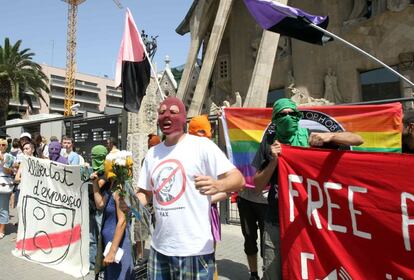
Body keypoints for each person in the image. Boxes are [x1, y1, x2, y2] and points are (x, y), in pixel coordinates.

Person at [252, 98, 364, 280]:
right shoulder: (269, 143)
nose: (288, 117)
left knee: (305, 272)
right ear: (274, 119)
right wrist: (273, 160)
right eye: (282, 114)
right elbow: (257, 186)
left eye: (292, 114)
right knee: (273, 273)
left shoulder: (312, 137)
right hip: (276, 221)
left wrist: (331, 136)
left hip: (308, 223)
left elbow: (358, 139)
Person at [135, 97, 245, 279]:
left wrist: (218, 184)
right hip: (159, 249)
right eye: (161, 112)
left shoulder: (201, 146)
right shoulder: (152, 154)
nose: (166, 115)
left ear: (183, 116)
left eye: (172, 111)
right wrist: (130, 202)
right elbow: (145, 193)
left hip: (195, 251)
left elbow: (238, 179)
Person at [188, 114, 228, 280]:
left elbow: (228, 188)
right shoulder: (184, 154)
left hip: (207, 213)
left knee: (207, 255)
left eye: (204, 136)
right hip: (186, 215)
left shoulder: (214, 154)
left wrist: (207, 199)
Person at [91, 144, 135, 280]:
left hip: (118, 246)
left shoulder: (120, 188)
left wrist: (112, 252)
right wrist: (95, 183)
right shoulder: (112, 186)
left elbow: (121, 222)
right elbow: (100, 204)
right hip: (109, 244)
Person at [134, 133, 160, 264]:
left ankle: (157, 255)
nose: (151, 148)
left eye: (153, 146)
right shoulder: (147, 158)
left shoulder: (162, 157)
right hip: (147, 198)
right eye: (150, 146)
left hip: (158, 200)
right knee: (140, 227)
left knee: (160, 227)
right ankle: (139, 256)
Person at [0, 138, 15, 239]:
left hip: (3, 185)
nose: (1, 146)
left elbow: (9, 171)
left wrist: (2, 160)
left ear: (7, 146)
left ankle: (2, 230)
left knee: (3, 208)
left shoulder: (9, 156)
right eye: (0, 144)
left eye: (3, 145)